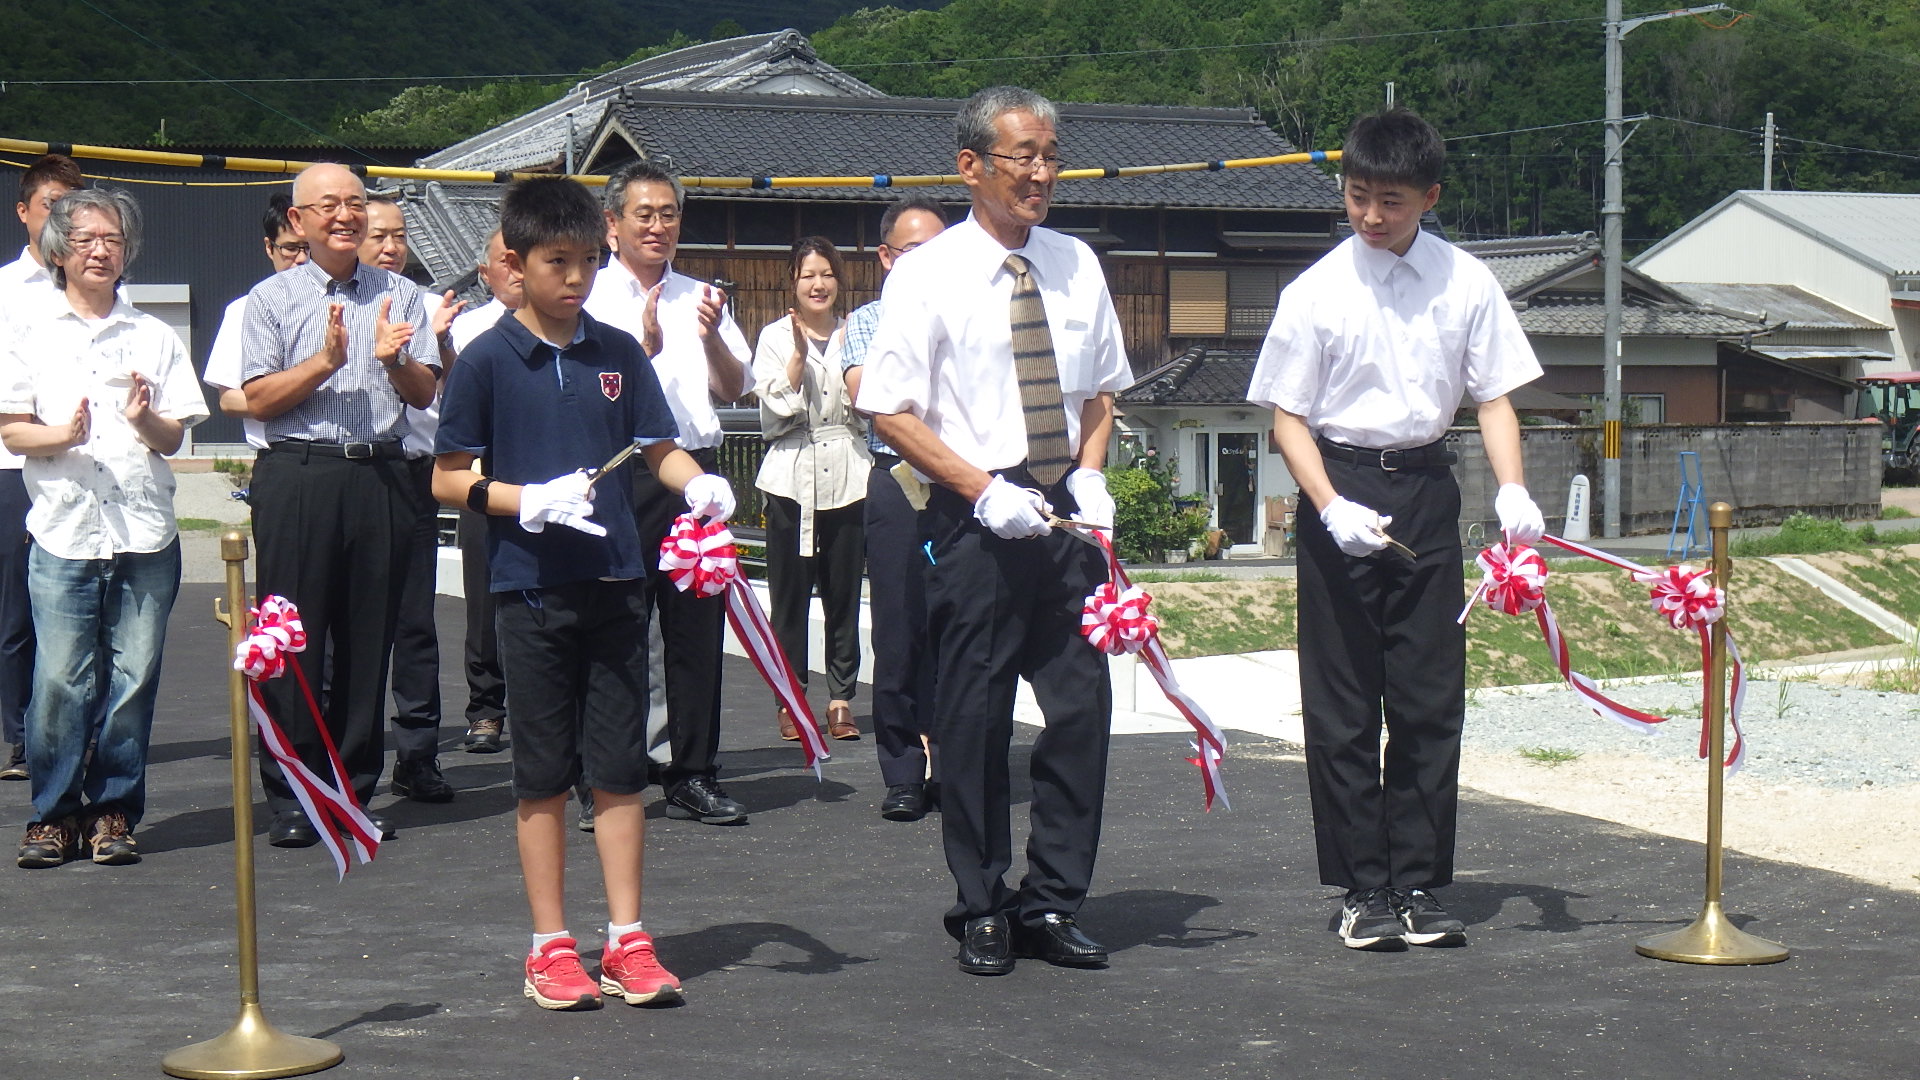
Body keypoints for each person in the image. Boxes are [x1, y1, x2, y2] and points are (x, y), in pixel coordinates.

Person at [432, 175, 736, 1010]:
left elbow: (657, 447)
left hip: (615, 581)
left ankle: (628, 940)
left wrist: (698, 483)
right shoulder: (491, 357)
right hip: (529, 590)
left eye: (585, 262)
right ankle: (550, 944)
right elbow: (445, 476)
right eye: (555, 262)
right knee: (539, 773)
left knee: (619, 768)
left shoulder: (616, 351)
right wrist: (520, 499)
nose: (572, 278)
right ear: (515, 262)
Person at [1246, 107, 1546, 951]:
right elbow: (1288, 419)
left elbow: (1493, 398)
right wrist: (1329, 506)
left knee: (1427, 697)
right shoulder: (1317, 290)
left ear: (1429, 197)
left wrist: (1514, 491)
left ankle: (1417, 882)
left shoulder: (1468, 282)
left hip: (1425, 486)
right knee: (1342, 700)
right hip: (1338, 482)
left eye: (1391, 202)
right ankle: (1360, 887)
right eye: (1358, 198)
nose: (1372, 217)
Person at [860, 86, 1129, 975]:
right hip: (975, 512)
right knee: (974, 718)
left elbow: (1100, 392)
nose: (1041, 173)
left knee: (1082, 708)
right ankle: (980, 900)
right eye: (1023, 157)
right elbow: (889, 409)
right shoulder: (929, 274)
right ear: (972, 166)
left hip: (1061, 511)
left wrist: (1090, 469)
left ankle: (1052, 899)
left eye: (1051, 155)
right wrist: (980, 489)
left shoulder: (1076, 263)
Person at [1, 187, 208, 866]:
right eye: (86, 238)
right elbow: (10, 428)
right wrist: (61, 433)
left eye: (112, 240)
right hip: (62, 529)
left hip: (143, 529)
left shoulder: (152, 334)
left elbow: (174, 433)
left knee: (133, 678)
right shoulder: (28, 332)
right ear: (59, 250)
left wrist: (145, 417)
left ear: (128, 253)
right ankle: (53, 814)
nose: (99, 250)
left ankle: (114, 811)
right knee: (59, 679)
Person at [240, 163, 439, 849]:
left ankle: (352, 792)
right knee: (292, 636)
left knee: (366, 639)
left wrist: (390, 361)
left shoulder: (404, 295)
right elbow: (258, 399)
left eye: (355, 202)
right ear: (297, 221)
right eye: (328, 205)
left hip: (380, 473)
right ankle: (294, 792)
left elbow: (422, 393)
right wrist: (325, 361)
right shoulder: (269, 299)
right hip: (298, 472)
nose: (345, 216)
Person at [584, 161, 750, 826]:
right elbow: (588, 395)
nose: (657, 227)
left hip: (694, 474)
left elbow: (735, 388)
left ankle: (694, 772)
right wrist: (641, 349)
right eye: (643, 215)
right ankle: (610, 776)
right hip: (621, 471)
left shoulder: (700, 295)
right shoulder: (588, 297)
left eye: (668, 214)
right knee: (613, 628)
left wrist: (709, 339)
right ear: (613, 224)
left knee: (694, 632)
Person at [843, 195, 947, 820]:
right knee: (900, 627)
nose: (926, 262)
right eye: (912, 251)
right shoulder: (867, 319)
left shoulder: (974, 310)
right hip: (900, 475)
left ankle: (960, 759)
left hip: (969, 481)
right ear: (886, 258)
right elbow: (871, 396)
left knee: (967, 626)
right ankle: (904, 768)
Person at [361, 194, 463, 805]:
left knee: (414, 623)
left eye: (399, 236)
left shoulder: (424, 307)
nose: (391, 247)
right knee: (352, 625)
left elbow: (440, 396)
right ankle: (349, 760)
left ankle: (418, 755)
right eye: (378, 236)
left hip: (413, 472)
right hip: (352, 470)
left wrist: (439, 343)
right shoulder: (330, 302)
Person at [753, 236, 869, 743]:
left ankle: (841, 697)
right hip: (790, 474)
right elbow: (775, 411)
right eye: (807, 275)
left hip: (850, 470)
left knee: (843, 591)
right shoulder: (775, 335)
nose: (818, 284)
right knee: (789, 594)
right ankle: (790, 695)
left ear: (839, 281)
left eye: (826, 274)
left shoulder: (858, 332)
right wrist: (799, 358)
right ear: (793, 283)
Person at [0, 154, 84, 783]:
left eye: (73, 204)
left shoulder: (98, 285)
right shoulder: (5, 291)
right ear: (24, 210)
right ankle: (21, 734)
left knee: (80, 605)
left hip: (80, 469)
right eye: (51, 203)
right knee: (17, 609)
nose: (62, 216)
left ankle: (73, 730)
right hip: (13, 463)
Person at [447, 229, 519, 754]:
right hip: (480, 477)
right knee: (483, 599)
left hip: (545, 481)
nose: (516, 269)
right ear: (485, 273)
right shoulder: (467, 330)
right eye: (504, 260)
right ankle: (486, 708)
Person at [202, 193, 311, 449]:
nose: (302, 258)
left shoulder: (341, 304)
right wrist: (293, 398)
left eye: (309, 248)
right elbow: (229, 400)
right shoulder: (242, 309)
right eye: (291, 248)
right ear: (268, 247)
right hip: (278, 455)